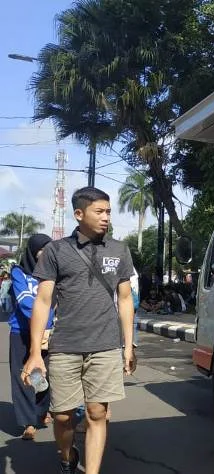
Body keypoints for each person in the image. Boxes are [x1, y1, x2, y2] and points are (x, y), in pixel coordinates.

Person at [22, 186, 136, 474]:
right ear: (78, 213)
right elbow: (43, 301)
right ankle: (66, 456)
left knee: (98, 413)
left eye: (108, 211)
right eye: (99, 211)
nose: (106, 217)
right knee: (62, 416)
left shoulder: (119, 250)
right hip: (65, 346)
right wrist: (35, 353)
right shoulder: (56, 251)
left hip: (106, 345)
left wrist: (129, 345)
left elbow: (125, 299)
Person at [7, 234, 54, 440]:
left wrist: (49, 324)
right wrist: (44, 319)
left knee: (43, 375)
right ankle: (28, 422)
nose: (46, 254)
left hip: (47, 333)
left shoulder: (53, 273)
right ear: (34, 251)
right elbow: (25, 301)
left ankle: (41, 411)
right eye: (43, 249)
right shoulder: (19, 272)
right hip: (21, 332)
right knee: (23, 376)